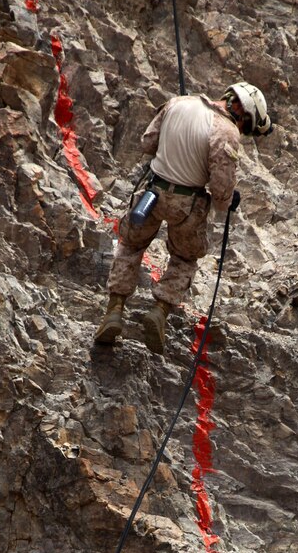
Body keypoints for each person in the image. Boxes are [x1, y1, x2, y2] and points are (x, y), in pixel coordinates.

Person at [94, 81, 273, 353]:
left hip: (151, 192)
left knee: (130, 245)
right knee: (185, 258)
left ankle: (114, 312)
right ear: (243, 112)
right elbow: (221, 191)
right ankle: (159, 311)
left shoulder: (178, 103)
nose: (242, 132)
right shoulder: (226, 132)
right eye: (247, 127)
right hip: (188, 206)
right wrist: (229, 198)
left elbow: (147, 142)